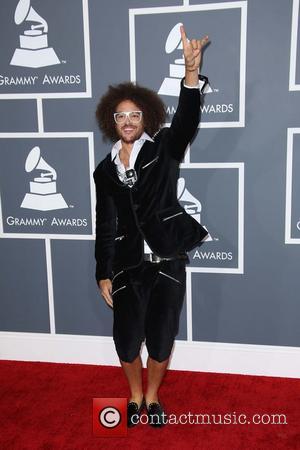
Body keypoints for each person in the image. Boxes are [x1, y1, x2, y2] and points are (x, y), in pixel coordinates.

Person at [93, 25, 209, 428]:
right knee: (126, 340)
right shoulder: (103, 170)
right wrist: (103, 272)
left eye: (134, 114)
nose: (127, 121)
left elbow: (188, 122)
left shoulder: (163, 150)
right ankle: (134, 395)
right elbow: (104, 223)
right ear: (112, 121)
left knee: (161, 339)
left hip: (167, 261)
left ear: (146, 117)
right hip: (128, 266)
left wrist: (191, 74)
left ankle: (153, 397)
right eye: (120, 116)